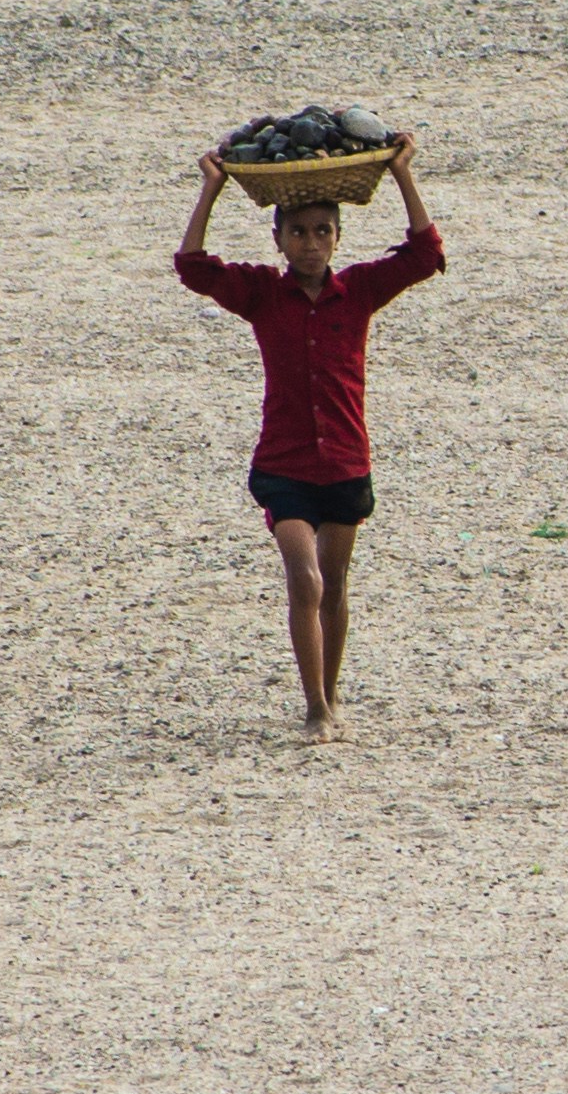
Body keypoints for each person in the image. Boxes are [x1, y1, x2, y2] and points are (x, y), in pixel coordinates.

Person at [174, 136, 449, 738]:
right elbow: (192, 267)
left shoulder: (361, 291)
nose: (311, 243)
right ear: (277, 239)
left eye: (323, 231)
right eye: (298, 233)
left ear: (336, 238)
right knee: (306, 577)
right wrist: (211, 187)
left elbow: (425, 256)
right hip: (284, 465)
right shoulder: (262, 294)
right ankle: (315, 709)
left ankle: (331, 692)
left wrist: (402, 174)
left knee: (336, 585)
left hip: (347, 462)